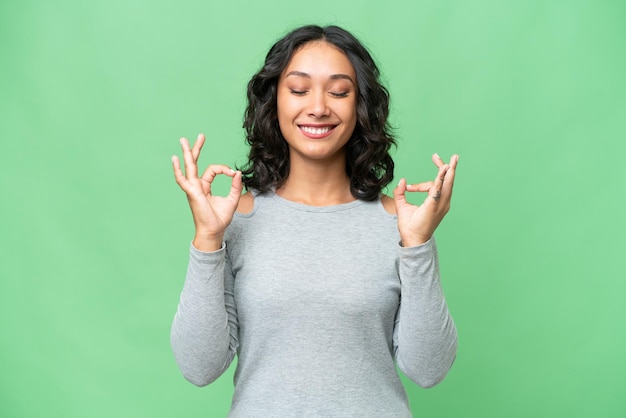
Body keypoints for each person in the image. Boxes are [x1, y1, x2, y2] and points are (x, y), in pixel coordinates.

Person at [170, 24, 458, 417]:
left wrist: (418, 247)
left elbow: (429, 370)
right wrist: (206, 238)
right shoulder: (233, 220)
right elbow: (199, 367)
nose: (319, 107)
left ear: (360, 106)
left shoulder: (403, 223)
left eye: (339, 91)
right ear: (274, 102)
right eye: (299, 89)